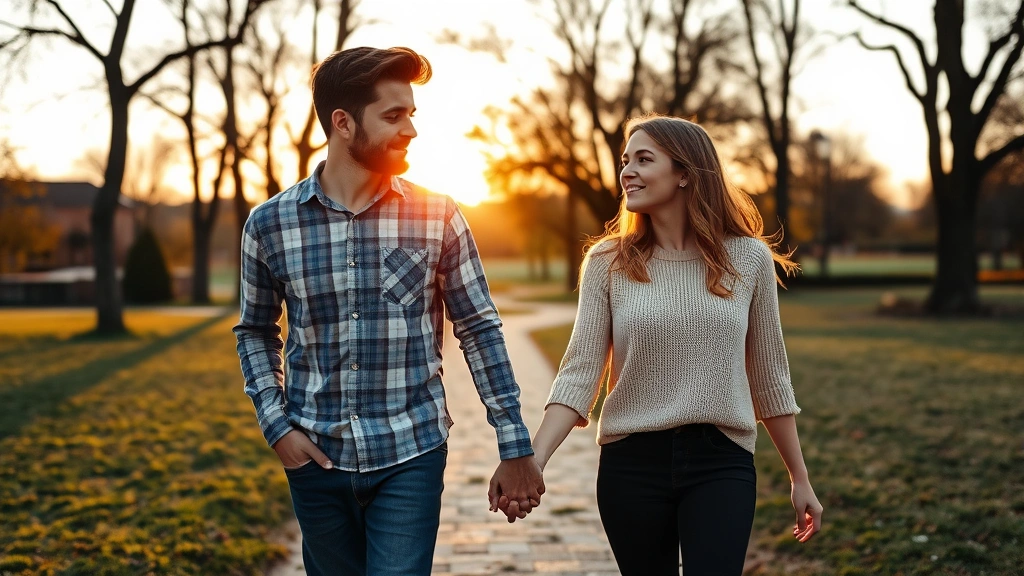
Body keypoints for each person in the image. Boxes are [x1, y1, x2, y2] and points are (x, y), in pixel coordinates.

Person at [233, 46, 544, 576]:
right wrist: (277, 427)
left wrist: (514, 443)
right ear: (343, 123)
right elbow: (256, 332)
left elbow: (479, 328)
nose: (411, 130)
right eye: (393, 116)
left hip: (412, 450)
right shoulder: (269, 225)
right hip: (315, 454)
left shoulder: (437, 214)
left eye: (412, 115)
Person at [499, 114, 823, 575]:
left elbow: (769, 376)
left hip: (721, 461)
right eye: (625, 161)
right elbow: (580, 372)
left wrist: (799, 478)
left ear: (686, 172)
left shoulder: (746, 258)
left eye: (644, 159)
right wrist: (534, 462)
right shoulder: (607, 261)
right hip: (632, 465)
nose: (626, 171)